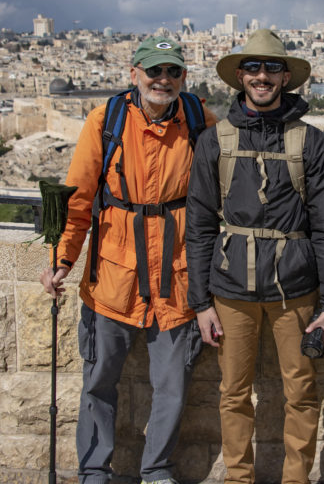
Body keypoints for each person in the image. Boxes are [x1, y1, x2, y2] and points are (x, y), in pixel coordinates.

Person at [40, 36, 218, 484]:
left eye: (172, 71)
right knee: (98, 382)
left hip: (176, 279)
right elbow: (79, 197)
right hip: (112, 277)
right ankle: (94, 471)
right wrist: (62, 258)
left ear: (184, 77)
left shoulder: (200, 121)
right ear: (134, 73)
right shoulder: (106, 120)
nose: (163, 79)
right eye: (154, 70)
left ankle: (156, 469)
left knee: (172, 386)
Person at [186, 29, 324, 484]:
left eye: (272, 67)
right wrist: (200, 303)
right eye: (253, 67)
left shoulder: (310, 143)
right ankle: (239, 479)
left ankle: (296, 479)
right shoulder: (214, 141)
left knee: (302, 391)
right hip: (231, 289)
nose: (262, 76)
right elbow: (198, 227)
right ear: (240, 76)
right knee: (233, 393)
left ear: (285, 77)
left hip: (294, 289)